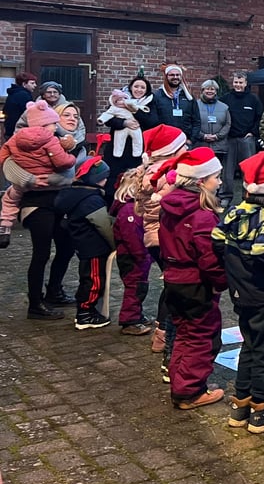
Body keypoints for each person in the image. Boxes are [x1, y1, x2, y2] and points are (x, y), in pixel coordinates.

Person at [212, 151, 264, 433]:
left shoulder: (235, 211)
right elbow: (262, 251)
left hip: (240, 291)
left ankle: (240, 404)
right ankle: (262, 409)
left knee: (249, 345)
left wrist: (235, 267)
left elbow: (217, 240)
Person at [157, 147, 228, 408]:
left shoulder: (170, 207)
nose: (219, 183)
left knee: (185, 334)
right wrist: (221, 281)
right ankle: (189, 391)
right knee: (201, 337)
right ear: (200, 181)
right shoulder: (202, 215)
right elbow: (209, 258)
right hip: (195, 283)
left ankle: (181, 384)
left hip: (174, 278)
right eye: (215, 177)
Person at [134, 125, 189, 357]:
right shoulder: (167, 175)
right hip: (164, 236)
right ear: (171, 150)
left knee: (169, 285)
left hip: (155, 235)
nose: (187, 148)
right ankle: (165, 336)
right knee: (173, 287)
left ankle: (161, 334)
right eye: (183, 146)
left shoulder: (153, 172)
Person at [0, 101, 77, 247]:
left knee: (9, 198)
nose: (72, 119)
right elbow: (62, 162)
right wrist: (70, 158)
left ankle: (5, 224)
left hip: (31, 188)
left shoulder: (16, 139)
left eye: (75, 116)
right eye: (66, 115)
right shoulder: (51, 139)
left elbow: (3, 156)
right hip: (41, 198)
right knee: (44, 247)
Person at [55, 157, 115, 330]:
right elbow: (103, 224)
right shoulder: (91, 200)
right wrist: (114, 244)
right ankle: (85, 313)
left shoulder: (72, 194)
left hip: (82, 245)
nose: (106, 181)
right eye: (104, 178)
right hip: (94, 247)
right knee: (94, 280)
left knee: (88, 278)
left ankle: (85, 310)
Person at [110, 167, 155, 336]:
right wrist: (143, 255)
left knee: (139, 286)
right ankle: (130, 320)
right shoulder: (129, 210)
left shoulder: (132, 207)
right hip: (132, 256)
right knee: (135, 288)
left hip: (137, 255)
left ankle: (136, 315)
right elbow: (132, 237)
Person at [99, 76, 156, 204]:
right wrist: (124, 123)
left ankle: (131, 206)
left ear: (146, 90)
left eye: (142, 87)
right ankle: (112, 204)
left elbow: (152, 122)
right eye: (136, 86)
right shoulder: (120, 100)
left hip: (138, 150)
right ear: (131, 87)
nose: (139, 90)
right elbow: (109, 119)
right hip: (116, 149)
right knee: (114, 179)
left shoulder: (150, 103)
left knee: (135, 178)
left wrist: (134, 111)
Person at [220, 72, 263, 205]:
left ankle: (248, 196)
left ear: (245, 83)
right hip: (230, 139)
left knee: (249, 170)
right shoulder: (225, 99)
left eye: (240, 82)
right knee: (227, 170)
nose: (238, 85)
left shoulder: (253, 99)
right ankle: (226, 196)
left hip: (247, 139)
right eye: (236, 82)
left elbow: (260, 117)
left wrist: (253, 132)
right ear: (233, 83)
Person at [193, 80, 231, 204]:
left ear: (216, 91)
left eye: (212, 89)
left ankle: (217, 198)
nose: (210, 91)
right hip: (201, 145)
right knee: (201, 172)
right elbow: (192, 122)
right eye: (207, 89)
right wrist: (202, 136)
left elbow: (227, 124)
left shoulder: (224, 107)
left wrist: (217, 136)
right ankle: (200, 197)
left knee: (217, 173)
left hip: (218, 145)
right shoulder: (195, 105)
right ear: (202, 90)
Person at [151, 65, 199, 145]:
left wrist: (191, 140)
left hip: (184, 142)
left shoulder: (189, 97)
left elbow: (196, 121)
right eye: (172, 75)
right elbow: (153, 121)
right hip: (164, 141)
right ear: (166, 77)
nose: (175, 77)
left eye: (178, 75)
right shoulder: (157, 96)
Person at [98, 88, 151, 159]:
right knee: (119, 140)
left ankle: (137, 152)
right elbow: (107, 115)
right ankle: (117, 153)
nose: (121, 102)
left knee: (138, 139)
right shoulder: (114, 108)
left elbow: (145, 113)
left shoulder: (132, 105)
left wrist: (143, 109)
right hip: (121, 129)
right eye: (118, 101)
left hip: (135, 127)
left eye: (143, 87)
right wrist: (101, 119)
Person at [4, 72, 37, 137]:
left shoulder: (13, 93)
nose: (35, 85)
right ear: (24, 84)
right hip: (19, 131)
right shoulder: (23, 95)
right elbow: (29, 113)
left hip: (10, 130)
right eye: (32, 83)